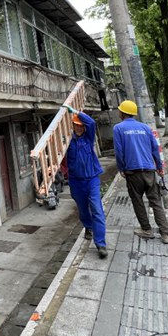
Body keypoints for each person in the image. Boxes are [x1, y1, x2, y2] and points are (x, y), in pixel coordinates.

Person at [113, 100, 168, 244]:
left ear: (122, 113)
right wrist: (159, 167)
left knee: (137, 201)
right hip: (149, 171)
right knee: (156, 201)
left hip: (132, 172)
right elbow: (155, 149)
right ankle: (165, 234)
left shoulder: (118, 128)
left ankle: (146, 230)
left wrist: (121, 168)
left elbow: (119, 152)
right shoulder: (145, 128)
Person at [61, 105, 108, 259]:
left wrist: (76, 112)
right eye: (77, 125)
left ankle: (100, 243)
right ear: (73, 126)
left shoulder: (89, 138)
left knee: (97, 209)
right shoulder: (68, 142)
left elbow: (91, 123)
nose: (79, 128)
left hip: (92, 179)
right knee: (82, 209)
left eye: (81, 126)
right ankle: (88, 226)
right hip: (76, 181)